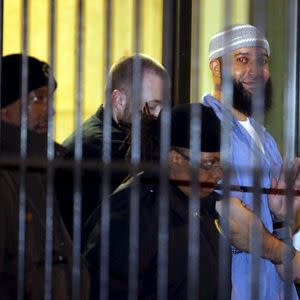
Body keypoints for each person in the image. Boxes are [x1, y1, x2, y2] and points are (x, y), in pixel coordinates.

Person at [203, 24, 300, 299]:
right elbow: (230, 220)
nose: (255, 70)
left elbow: (291, 221)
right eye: (242, 59)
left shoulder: (266, 139)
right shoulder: (205, 128)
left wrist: (281, 215)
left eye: (262, 61)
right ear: (216, 68)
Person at [84, 103, 228, 299]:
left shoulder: (205, 207)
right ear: (174, 157)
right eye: (209, 164)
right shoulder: (133, 212)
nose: (218, 174)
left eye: (220, 163)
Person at [0, 54, 89, 299]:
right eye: (37, 98)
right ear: (4, 108)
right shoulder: (8, 177)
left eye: (51, 99)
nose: (50, 110)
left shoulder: (44, 169)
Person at [58, 54, 170, 235]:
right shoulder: (105, 148)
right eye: (153, 105)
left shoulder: (103, 135)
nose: (159, 115)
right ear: (119, 100)